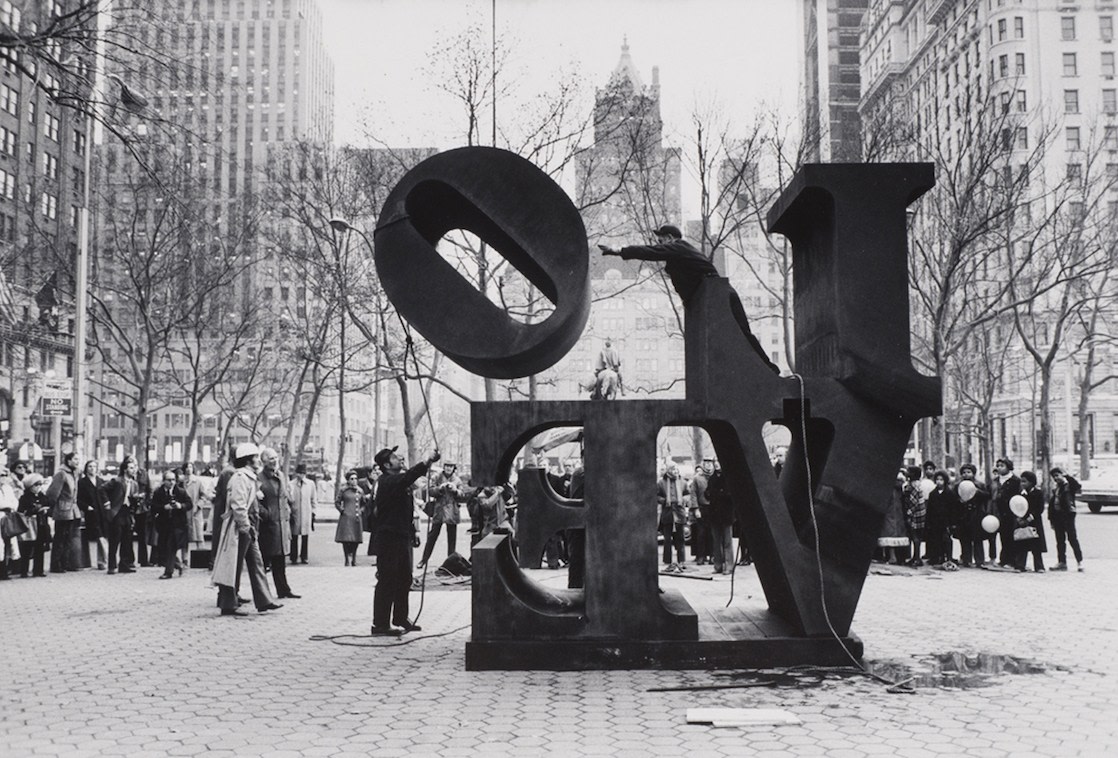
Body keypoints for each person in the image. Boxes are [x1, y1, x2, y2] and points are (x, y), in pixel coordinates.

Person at [599, 224, 779, 374]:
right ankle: (762, 368)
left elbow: (651, 252)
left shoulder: (679, 247)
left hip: (718, 295)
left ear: (669, 238)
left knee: (742, 334)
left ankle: (767, 368)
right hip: (715, 295)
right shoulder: (680, 257)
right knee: (738, 335)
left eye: (661, 240)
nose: (658, 243)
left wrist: (619, 251)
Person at [370, 445, 440, 635]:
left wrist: (412, 532)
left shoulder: (397, 482)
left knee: (404, 578)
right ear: (386, 464)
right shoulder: (388, 481)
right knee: (387, 579)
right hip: (388, 538)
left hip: (401, 536)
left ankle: (400, 617)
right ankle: (380, 624)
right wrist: (427, 462)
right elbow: (408, 477)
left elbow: (404, 510)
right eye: (394, 458)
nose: (399, 459)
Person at [210, 443, 282, 616]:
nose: (259, 460)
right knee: (233, 565)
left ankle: (264, 600)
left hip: (245, 526)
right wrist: (245, 526)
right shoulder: (241, 478)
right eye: (256, 457)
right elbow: (238, 505)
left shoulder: (247, 477)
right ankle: (228, 604)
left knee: (256, 562)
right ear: (249, 460)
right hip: (239, 527)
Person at [258, 448, 298, 599]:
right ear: (263, 462)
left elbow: (285, 497)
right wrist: (266, 514)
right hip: (268, 525)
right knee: (265, 560)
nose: (274, 460)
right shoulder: (259, 478)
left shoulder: (281, 475)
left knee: (280, 560)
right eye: (270, 459)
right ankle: (263, 593)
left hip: (281, 523)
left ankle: (284, 590)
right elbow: (255, 501)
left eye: (275, 457)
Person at [419, 461, 463, 568]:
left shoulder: (457, 480)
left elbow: (462, 495)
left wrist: (455, 490)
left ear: (454, 468)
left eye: (451, 466)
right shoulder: (437, 477)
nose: (448, 468)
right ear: (444, 467)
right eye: (447, 466)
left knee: (452, 538)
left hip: (452, 511)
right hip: (439, 510)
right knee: (432, 536)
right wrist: (440, 488)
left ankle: (450, 564)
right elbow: (429, 490)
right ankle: (424, 560)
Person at [150, 470, 193, 579]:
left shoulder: (181, 492)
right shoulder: (158, 492)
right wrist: (164, 507)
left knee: (171, 547)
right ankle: (178, 565)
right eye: (169, 480)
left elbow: (189, 504)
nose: (172, 482)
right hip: (164, 524)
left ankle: (168, 572)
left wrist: (180, 506)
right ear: (164, 481)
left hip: (178, 525)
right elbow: (153, 507)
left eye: (174, 480)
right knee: (163, 549)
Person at [45, 451, 82, 573]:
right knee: (60, 537)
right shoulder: (62, 474)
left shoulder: (73, 474)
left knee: (68, 537)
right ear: (68, 460)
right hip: (63, 509)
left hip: (71, 509)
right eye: (75, 459)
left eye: (78, 459)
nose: (77, 461)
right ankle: (56, 564)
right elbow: (53, 493)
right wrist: (52, 507)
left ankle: (65, 563)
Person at [1048, 467, 1084, 572]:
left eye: (1057, 475)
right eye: (1054, 476)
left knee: (1072, 539)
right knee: (1060, 541)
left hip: (1067, 516)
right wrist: (1051, 519)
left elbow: (1077, 486)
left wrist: (1067, 476)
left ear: (1062, 475)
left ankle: (1079, 561)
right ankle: (1062, 562)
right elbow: (1052, 504)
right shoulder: (1056, 489)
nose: (1056, 478)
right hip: (1057, 517)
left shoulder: (1069, 487)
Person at [956, 463, 991, 568]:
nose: (966, 475)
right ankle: (966, 559)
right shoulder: (958, 485)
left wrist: (977, 492)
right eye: (964, 472)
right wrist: (960, 501)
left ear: (973, 473)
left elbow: (986, 496)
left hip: (976, 514)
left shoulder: (979, 485)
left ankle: (979, 560)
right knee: (965, 538)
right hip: (963, 514)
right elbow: (954, 497)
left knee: (977, 538)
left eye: (969, 472)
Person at [924, 470, 959, 569]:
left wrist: (952, 523)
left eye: (941, 480)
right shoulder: (932, 494)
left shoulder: (950, 493)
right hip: (935, 521)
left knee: (946, 540)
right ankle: (936, 557)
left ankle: (948, 558)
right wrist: (928, 522)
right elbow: (930, 509)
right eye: (937, 479)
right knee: (935, 540)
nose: (939, 482)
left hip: (946, 521)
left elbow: (953, 509)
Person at [77, 460, 109, 570]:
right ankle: (105, 560)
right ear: (86, 469)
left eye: (94, 466)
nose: (92, 468)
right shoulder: (82, 482)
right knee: (98, 536)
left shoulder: (101, 481)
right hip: (91, 512)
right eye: (90, 466)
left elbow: (105, 495)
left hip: (102, 513)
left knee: (103, 536)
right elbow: (78, 498)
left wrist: (107, 504)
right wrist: (86, 507)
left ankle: (102, 561)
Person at [16, 474, 50, 578]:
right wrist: (34, 510)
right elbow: (21, 511)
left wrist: (44, 510)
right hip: (29, 525)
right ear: (30, 486)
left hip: (41, 524)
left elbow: (48, 504)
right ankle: (24, 570)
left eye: (40, 484)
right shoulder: (24, 498)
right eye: (36, 485)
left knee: (40, 547)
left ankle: (38, 570)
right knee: (26, 548)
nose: (39, 487)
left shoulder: (43, 496)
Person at [1013, 471, 1047, 573]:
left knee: (1036, 546)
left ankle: (1039, 566)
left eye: (1025, 482)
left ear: (1032, 482)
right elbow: (1015, 506)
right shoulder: (1020, 494)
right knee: (1021, 544)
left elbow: (1039, 508)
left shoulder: (1038, 493)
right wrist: (1019, 518)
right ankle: (1020, 565)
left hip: (1034, 522)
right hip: (1021, 521)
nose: (1022, 484)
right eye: (1021, 482)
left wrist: (1029, 519)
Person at [992, 457, 1022, 569]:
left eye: (1002, 466)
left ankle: (1012, 560)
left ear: (1008, 467)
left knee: (1011, 536)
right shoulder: (995, 481)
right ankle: (1003, 559)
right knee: (1003, 536)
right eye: (998, 466)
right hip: (999, 512)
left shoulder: (1015, 480)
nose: (999, 468)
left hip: (1011, 512)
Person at [657, 463, 688, 573]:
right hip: (668, 512)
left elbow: (687, 494)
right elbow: (657, 495)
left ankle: (682, 561)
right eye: (673, 469)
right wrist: (663, 500)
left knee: (680, 538)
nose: (675, 471)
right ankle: (668, 561)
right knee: (667, 539)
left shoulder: (683, 482)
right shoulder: (661, 482)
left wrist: (684, 500)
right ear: (668, 471)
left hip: (679, 512)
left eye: (676, 469)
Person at [335, 470, 366, 566]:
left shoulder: (360, 490)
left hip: (356, 517)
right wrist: (342, 510)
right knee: (346, 539)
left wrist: (361, 510)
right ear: (348, 480)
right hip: (346, 517)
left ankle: (354, 558)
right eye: (352, 479)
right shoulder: (344, 490)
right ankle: (346, 559)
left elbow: (364, 503)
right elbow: (337, 502)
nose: (354, 481)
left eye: (356, 479)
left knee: (356, 539)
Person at [878, 471, 909, 566]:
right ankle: (896, 557)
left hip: (890, 513)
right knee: (895, 534)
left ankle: (891, 556)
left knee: (889, 534)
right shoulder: (900, 489)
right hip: (898, 513)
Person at [180, 462, 207, 568]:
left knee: (199, 535)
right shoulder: (181, 482)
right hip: (184, 513)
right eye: (186, 467)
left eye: (190, 467)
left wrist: (199, 505)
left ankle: (202, 558)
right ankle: (185, 560)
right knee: (184, 537)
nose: (188, 469)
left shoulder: (198, 481)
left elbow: (203, 495)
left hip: (196, 513)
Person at [289, 464, 316, 565]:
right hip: (295, 513)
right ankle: (293, 556)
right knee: (294, 536)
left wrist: (314, 512)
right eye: (298, 473)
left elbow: (313, 499)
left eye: (302, 473)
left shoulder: (310, 484)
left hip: (306, 513)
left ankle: (304, 556)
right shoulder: (291, 484)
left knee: (305, 536)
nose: (300, 475)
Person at [688, 460, 712, 566]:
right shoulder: (697, 478)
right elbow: (693, 494)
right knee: (701, 533)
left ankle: (713, 555)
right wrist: (696, 509)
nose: (708, 466)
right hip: (702, 508)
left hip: (713, 509)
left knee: (712, 533)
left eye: (710, 463)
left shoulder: (714, 477)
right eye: (706, 463)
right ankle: (701, 556)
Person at [902, 465, 926, 567]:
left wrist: (909, 514)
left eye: (908, 471)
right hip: (920, 513)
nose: (906, 472)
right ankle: (916, 557)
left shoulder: (912, 486)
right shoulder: (917, 484)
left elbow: (913, 502)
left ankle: (916, 558)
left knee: (914, 536)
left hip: (915, 514)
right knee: (917, 536)